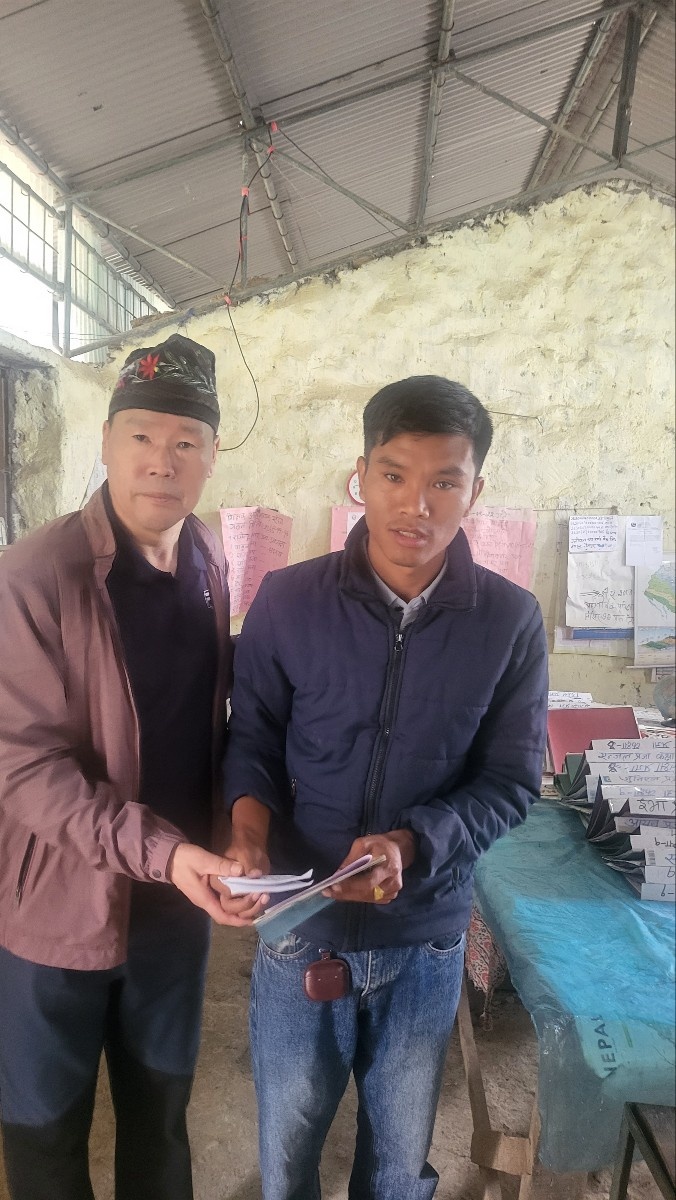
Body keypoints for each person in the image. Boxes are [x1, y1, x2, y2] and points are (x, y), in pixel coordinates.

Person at [220, 375, 549, 1200]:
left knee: (399, 1160)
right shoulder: (288, 600)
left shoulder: (509, 621)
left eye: (445, 481)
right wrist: (248, 836)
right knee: (289, 1144)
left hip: (425, 936)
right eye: (395, 475)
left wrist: (414, 843)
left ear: (476, 491)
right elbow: (251, 737)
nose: (417, 505)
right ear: (359, 476)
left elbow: (511, 781)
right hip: (299, 926)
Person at [0, 334, 265, 1200]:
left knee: (161, 1124)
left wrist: (236, 835)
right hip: (57, 912)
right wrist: (167, 852)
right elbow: (24, 770)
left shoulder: (209, 561)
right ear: (108, 443)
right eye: (142, 436)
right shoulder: (35, 576)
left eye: (186, 441)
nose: (162, 460)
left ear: (212, 455)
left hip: (174, 913)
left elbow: (205, 724)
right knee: (45, 1141)